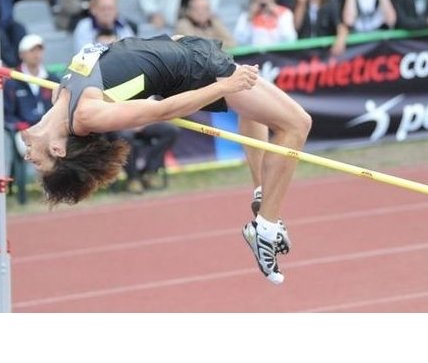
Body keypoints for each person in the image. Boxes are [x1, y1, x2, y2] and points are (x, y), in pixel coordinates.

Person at [21, 34, 311, 284]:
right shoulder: (87, 115)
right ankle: (266, 228)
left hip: (185, 49)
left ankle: (263, 193)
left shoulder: (59, 96)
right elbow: (162, 111)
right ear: (58, 150)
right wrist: (224, 87)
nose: (27, 155)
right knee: (297, 124)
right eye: (36, 162)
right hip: (195, 68)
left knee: (255, 110)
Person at [4, 34, 60, 203]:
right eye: (32, 50)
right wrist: (21, 127)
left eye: (39, 50)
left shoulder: (52, 79)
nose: (36, 54)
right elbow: (7, 114)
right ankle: (48, 188)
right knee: (34, 148)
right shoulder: (12, 82)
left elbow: (59, 108)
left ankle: (57, 189)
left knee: (62, 145)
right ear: (22, 54)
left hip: (48, 129)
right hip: (24, 131)